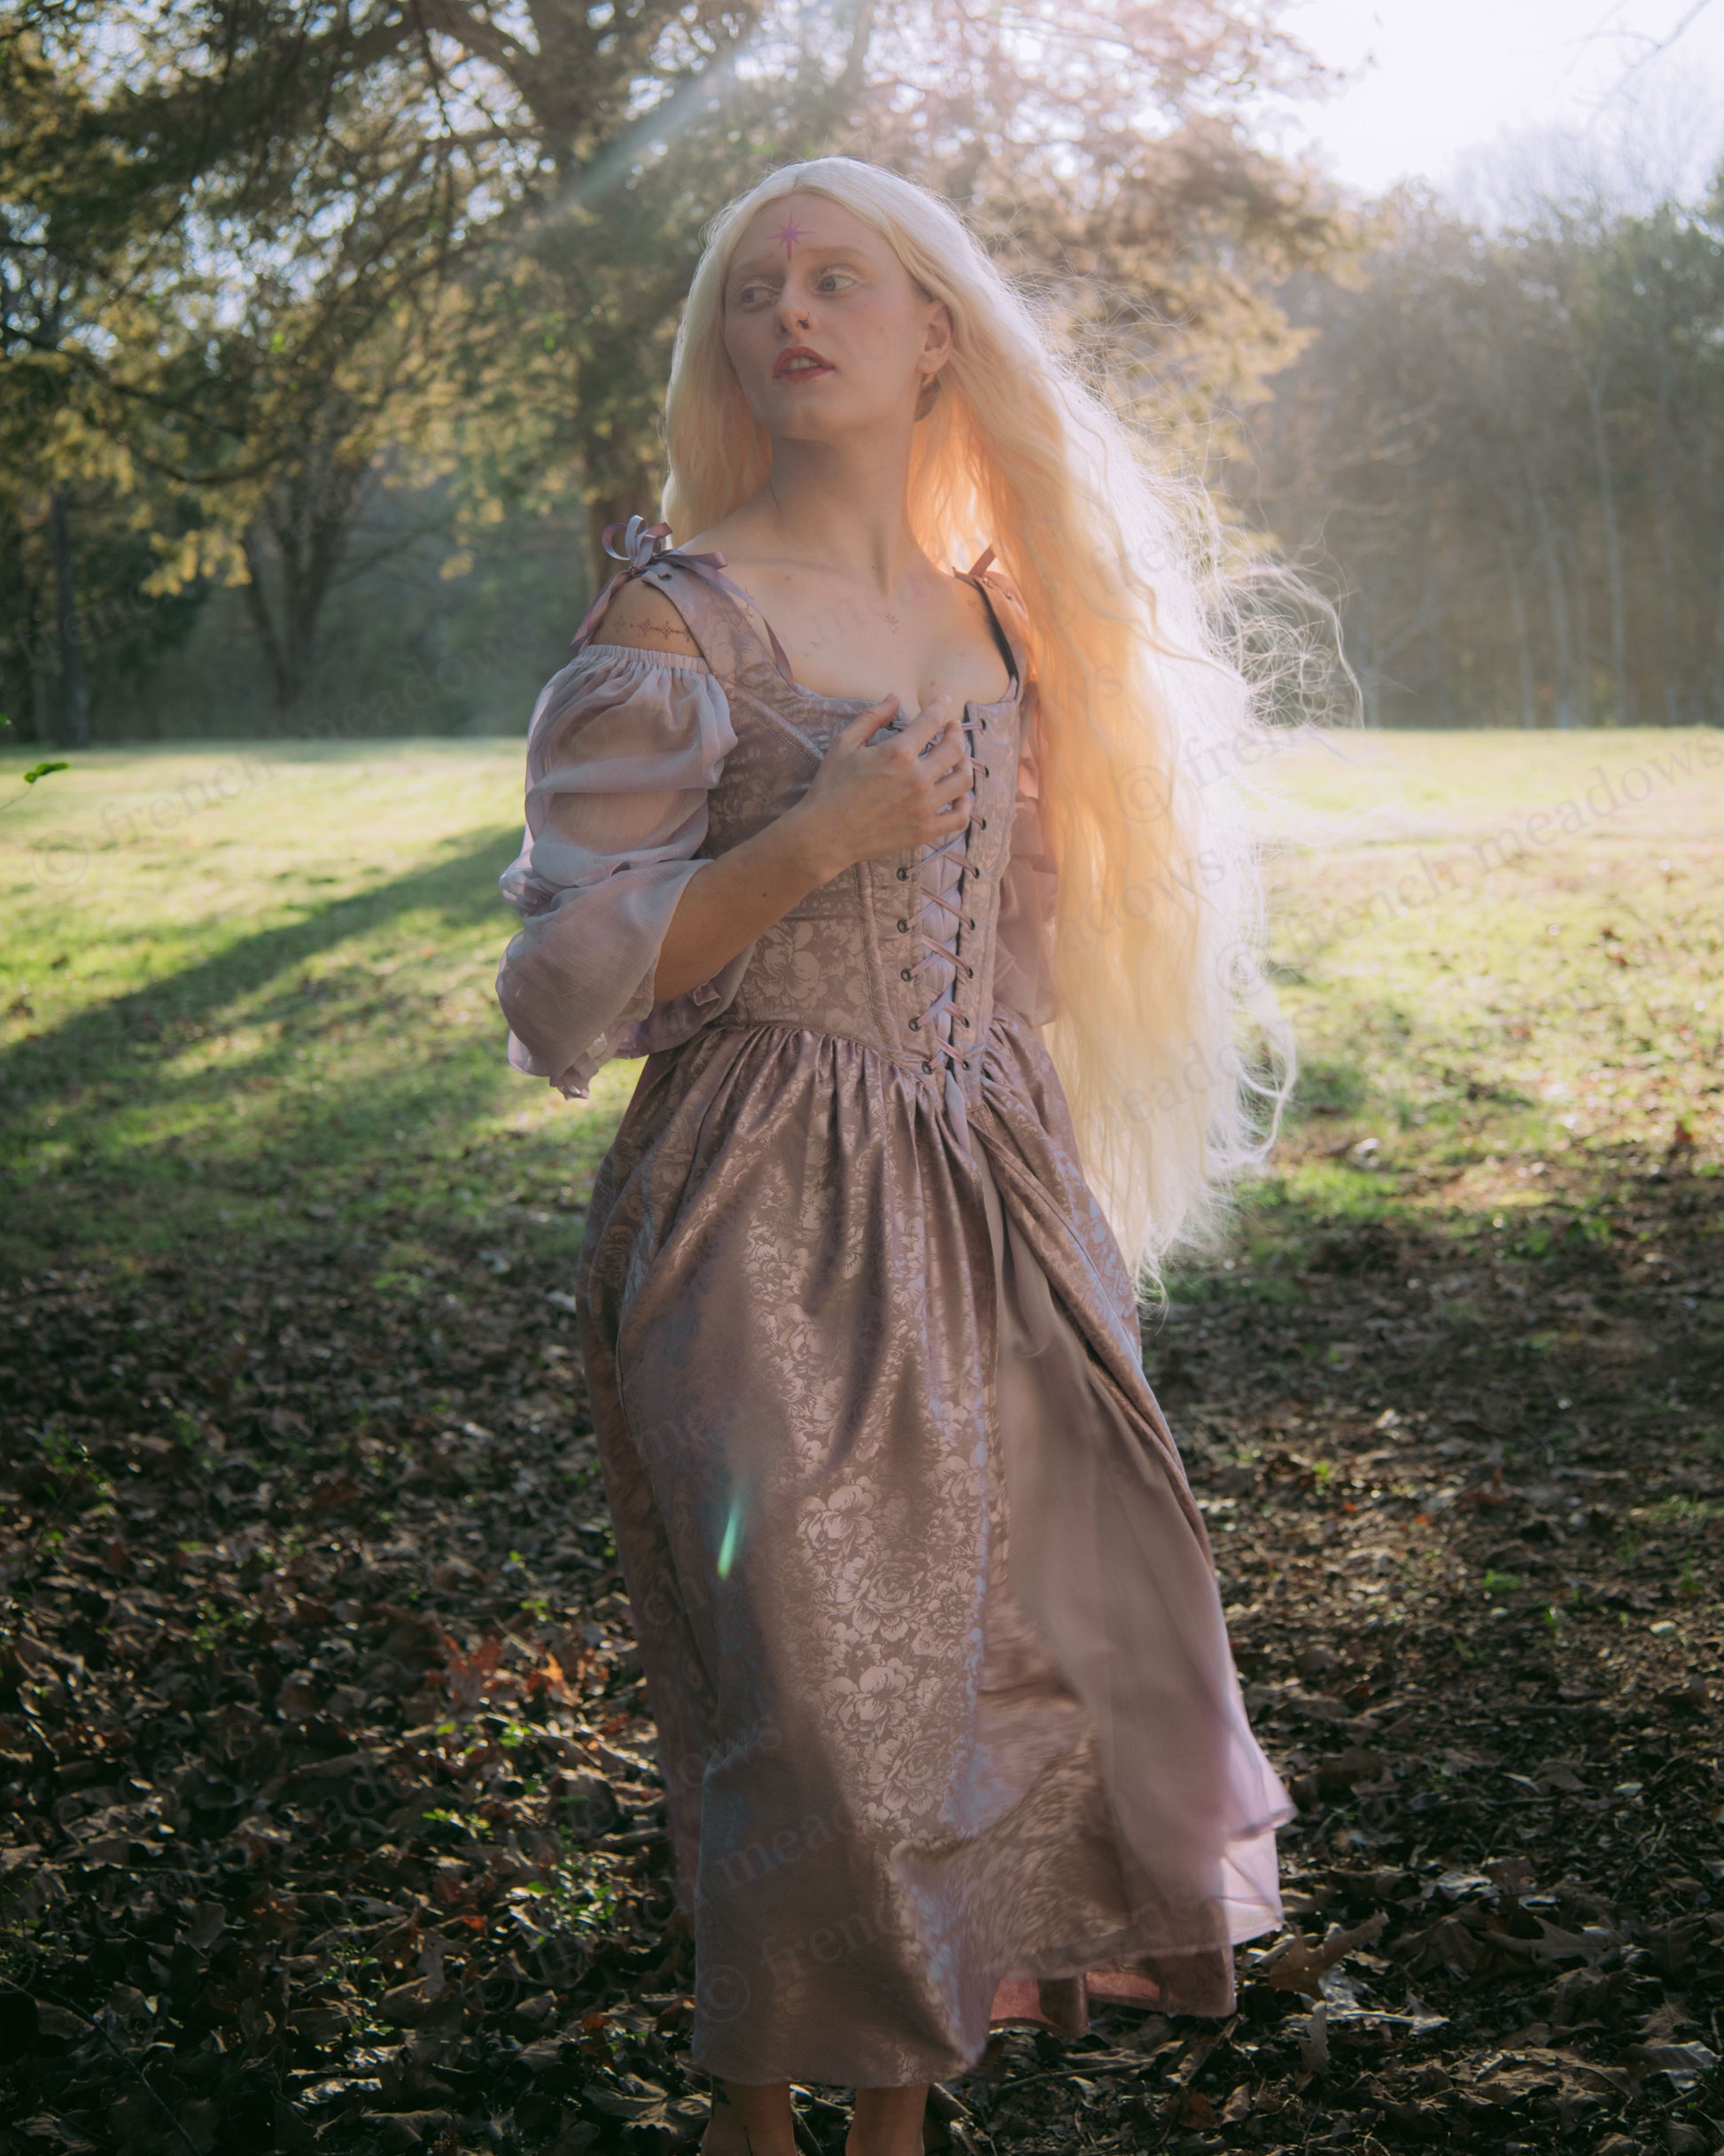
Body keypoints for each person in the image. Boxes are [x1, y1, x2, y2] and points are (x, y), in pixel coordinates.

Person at [494, 155, 1293, 2156]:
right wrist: (807, 843)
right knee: (817, 1702)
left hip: (990, 1198)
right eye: (757, 286)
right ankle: (755, 2125)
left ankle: (897, 2127)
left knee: (976, 1679)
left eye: (840, 279)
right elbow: (556, 995)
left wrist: (1044, 1198)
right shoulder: (672, 616)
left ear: (936, 332)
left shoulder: (992, 621)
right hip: (758, 1208)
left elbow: (1015, 950)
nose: (791, 314)